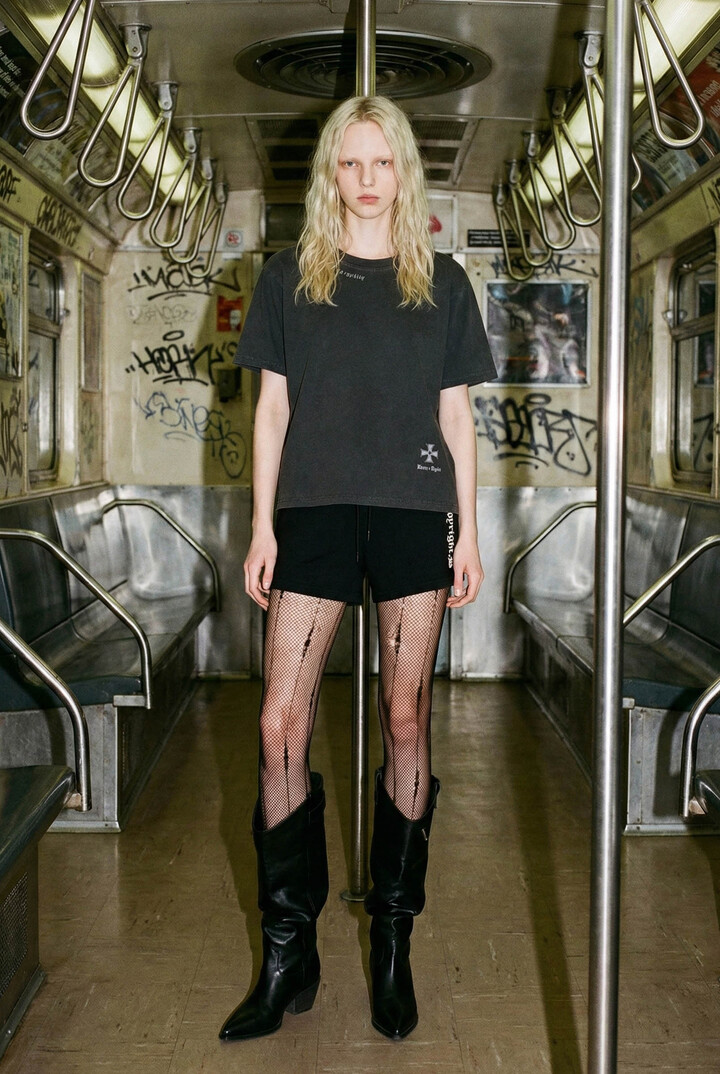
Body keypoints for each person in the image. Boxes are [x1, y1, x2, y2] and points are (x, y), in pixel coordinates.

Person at [219, 94, 496, 1045]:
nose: (367, 179)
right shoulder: (289, 278)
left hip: (416, 513)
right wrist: (263, 524)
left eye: (382, 163)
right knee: (279, 722)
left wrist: (471, 531)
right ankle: (287, 952)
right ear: (330, 172)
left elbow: (457, 418)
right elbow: (270, 410)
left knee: (406, 716)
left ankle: (391, 941)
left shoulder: (443, 283)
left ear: (403, 171)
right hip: (314, 512)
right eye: (351, 162)